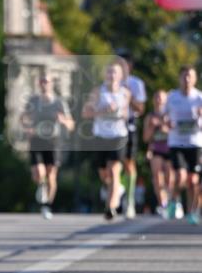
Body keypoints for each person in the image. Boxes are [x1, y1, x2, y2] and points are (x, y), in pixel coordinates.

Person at [21, 74, 74, 219]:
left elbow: (71, 125)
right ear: (39, 83)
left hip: (53, 141)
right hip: (36, 139)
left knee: (51, 175)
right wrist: (27, 127)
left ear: (52, 84)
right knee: (38, 173)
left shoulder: (59, 102)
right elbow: (23, 117)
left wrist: (63, 121)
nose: (45, 84)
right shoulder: (33, 100)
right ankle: (41, 185)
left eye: (47, 81)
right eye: (42, 81)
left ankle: (47, 205)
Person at [83, 61, 130, 221]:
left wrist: (119, 112)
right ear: (105, 75)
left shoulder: (125, 93)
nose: (112, 75)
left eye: (115, 72)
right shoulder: (98, 92)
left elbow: (126, 115)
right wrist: (102, 110)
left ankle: (110, 207)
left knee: (114, 170)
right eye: (109, 72)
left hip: (118, 136)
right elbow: (86, 113)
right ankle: (118, 190)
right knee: (104, 174)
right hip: (101, 136)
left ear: (121, 76)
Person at [164, 65, 202, 224]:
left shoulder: (199, 97)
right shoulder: (172, 96)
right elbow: (164, 118)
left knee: (193, 181)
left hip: (195, 142)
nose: (187, 79)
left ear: (195, 79)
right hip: (177, 142)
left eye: (190, 76)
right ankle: (173, 200)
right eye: (184, 76)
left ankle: (192, 211)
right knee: (180, 176)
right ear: (179, 78)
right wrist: (167, 124)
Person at [116, 53, 147, 219]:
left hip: (129, 126)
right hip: (111, 128)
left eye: (124, 65)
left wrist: (129, 96)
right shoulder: (111, 82)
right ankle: (117, 191)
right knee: (111, 165)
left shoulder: (136, 83)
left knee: (128, 163)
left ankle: (129, 201)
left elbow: (141, 109)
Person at [143, 89, 173, 218]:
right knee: (157, 178)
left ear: (166, 100)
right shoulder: (150, 116)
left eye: (161, 97)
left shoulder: (171, 114)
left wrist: (164, 127)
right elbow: (145, 137)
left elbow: (175, 132)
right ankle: (163, 205)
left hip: (170, 149)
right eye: (156, 97)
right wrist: (152, 126)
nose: (159, 100)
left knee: (169, 179)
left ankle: (172, 202)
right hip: (156, 149)